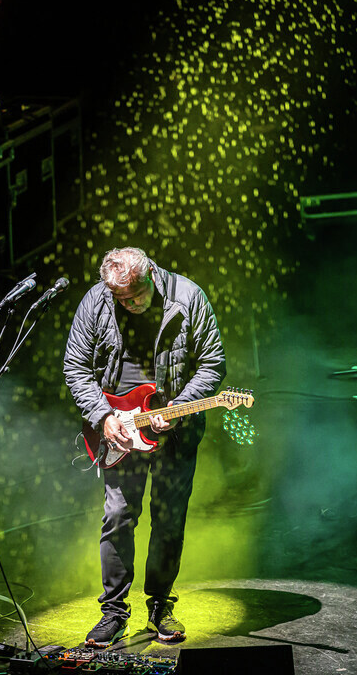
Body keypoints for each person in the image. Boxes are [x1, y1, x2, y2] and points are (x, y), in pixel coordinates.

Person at [63, 247, 226, 646]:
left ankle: (160, 607)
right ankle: (114, 612)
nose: (131, 304)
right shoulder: (96, 301)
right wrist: (104, 416)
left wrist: (179, 407)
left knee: (168, 521)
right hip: (120, 428)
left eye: (136, 294)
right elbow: (75, 366)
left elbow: (213, 363)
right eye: (122, 299)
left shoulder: (189, 297)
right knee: (118, 515)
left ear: (151, 273)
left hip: (175, 428)